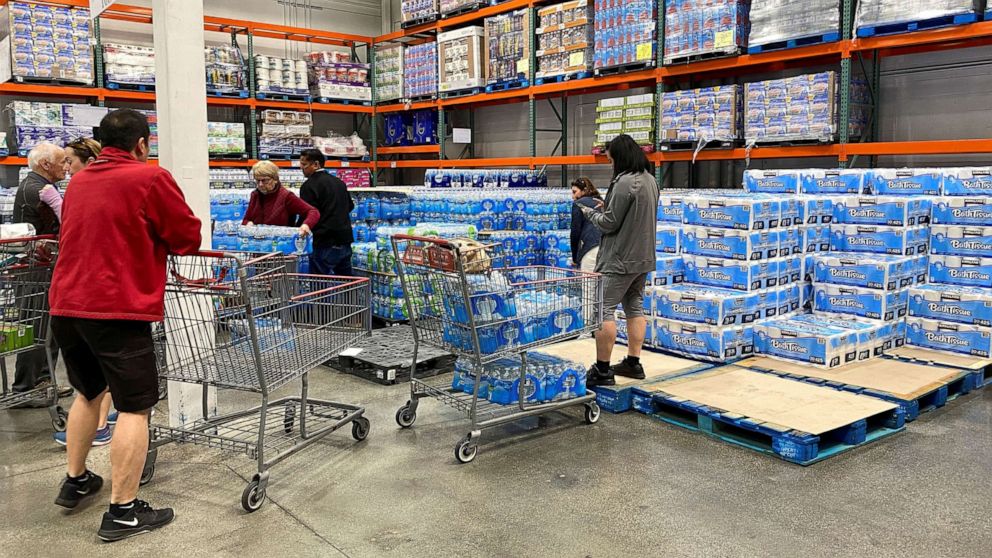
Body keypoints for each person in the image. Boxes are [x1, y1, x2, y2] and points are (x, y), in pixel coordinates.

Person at [49, 109, 202, 542]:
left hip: (66, 305)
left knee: (88, 391)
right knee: (135, 407)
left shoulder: (78, 181)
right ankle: (124, 511)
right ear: (141, 144)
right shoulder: (149, 178)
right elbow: (186, 236)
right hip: (116, 307)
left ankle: (76, 480)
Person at [51, 138, 119, 447]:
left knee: (97, 371)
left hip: (99, 290)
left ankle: (101, 425)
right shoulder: (77, 191)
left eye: (70, 161)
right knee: (93, 371)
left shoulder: (98, 191)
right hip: (82, 290)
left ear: (90, 161)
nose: (66, 168)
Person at [578, 135, 659, 387]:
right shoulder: (650, 180)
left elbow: (609, 224)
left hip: (620, 259)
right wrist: (608, 206)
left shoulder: (624, 182)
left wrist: (589, 212)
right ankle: (633, 363)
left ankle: (602, 370)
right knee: (635, 306)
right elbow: (631, 214)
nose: (610, 162)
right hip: (643, 257)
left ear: (619, 157)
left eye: (611, 158)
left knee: (603, 310)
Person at [10, 142, 72, 407]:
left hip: (44, 267)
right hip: (35, 269)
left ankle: (44, 382)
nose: (66, 167)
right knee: (34, 327)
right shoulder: (39, 188)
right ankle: (24, 388)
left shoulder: (43, 186)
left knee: (48, 327)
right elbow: (67, 216)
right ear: (46, 164)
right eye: (62, 162)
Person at [298, 148, 355, 275]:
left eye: (304, 164)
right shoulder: (339, 182)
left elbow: (308, 214)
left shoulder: (309, 186)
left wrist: (296, 229)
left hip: (323, 242)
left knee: (320, 286)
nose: (301, 168)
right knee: (347, 285)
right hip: (344, 240)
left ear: (316, 164)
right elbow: (350, 206)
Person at [242, 160, 319, 237]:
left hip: (281, 243)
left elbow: (313, 212)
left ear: (275, 179)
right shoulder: (255, 195)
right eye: (257, 180)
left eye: (264, 180)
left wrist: (306, 225)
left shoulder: (286, 196)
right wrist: (248, 223)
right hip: (258, 243)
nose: (260, 184)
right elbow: (246, 219)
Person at [569, 177, 603, 271]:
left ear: (584, 190)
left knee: (589, 284)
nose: (573, 196)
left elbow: (575, 233)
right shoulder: (601, 202)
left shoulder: (578, 204)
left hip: (590, 249)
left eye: (574, 192)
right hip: (606, 249)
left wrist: (575, 258)